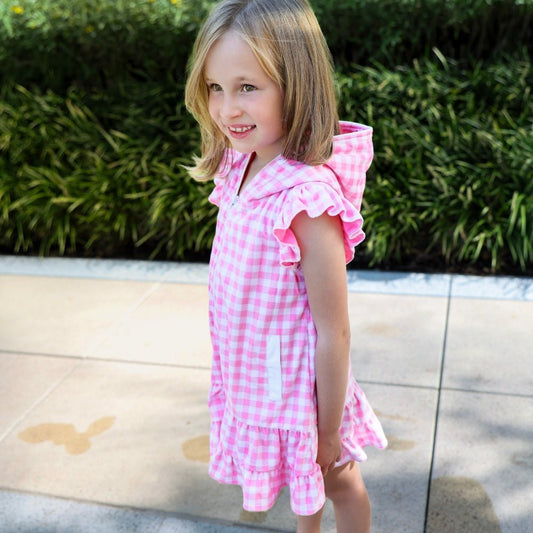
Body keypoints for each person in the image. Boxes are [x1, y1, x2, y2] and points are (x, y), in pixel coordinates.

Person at [185, 1, 387, 531]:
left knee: (338, 480)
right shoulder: (241, 164)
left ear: (295, 85)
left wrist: (327, 430)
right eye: (215, 87)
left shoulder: (306, 201)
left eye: (248, 87)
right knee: (305, 488)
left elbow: (334, 330)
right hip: (255, 372)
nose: (228, 108)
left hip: (300, 391)